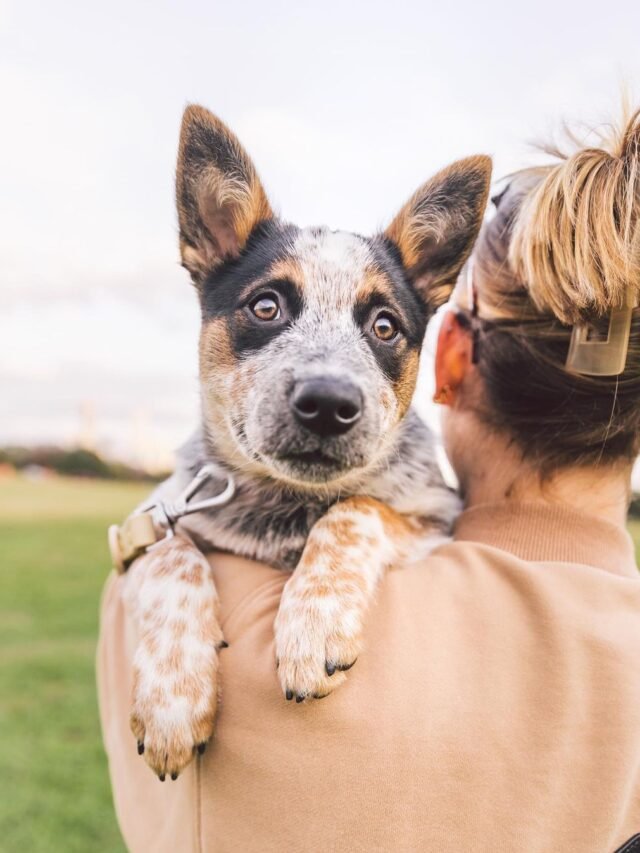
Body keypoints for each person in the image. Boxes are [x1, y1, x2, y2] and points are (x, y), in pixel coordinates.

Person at [98, 109, 640, 852]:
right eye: (266, 305)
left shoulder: (213, 627)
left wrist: (160, 556)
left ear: (445, 352)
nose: (329, 385)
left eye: (384, 326)